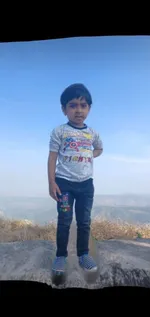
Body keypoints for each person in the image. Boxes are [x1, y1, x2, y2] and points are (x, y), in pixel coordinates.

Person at [48, 83, 103, 276]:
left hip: (86, 185)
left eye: (83, 105)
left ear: (89, 108)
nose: (78, 110)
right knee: (64, 220)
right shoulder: (59, 131)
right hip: (64, 185)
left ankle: (83, 255)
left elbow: (99, 148)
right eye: (72, 105)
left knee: (84, 221)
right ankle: (61, 256)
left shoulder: (93, 133)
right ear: (64, 109)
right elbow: (52, 157)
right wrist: (51, 182)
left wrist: (88, 155)